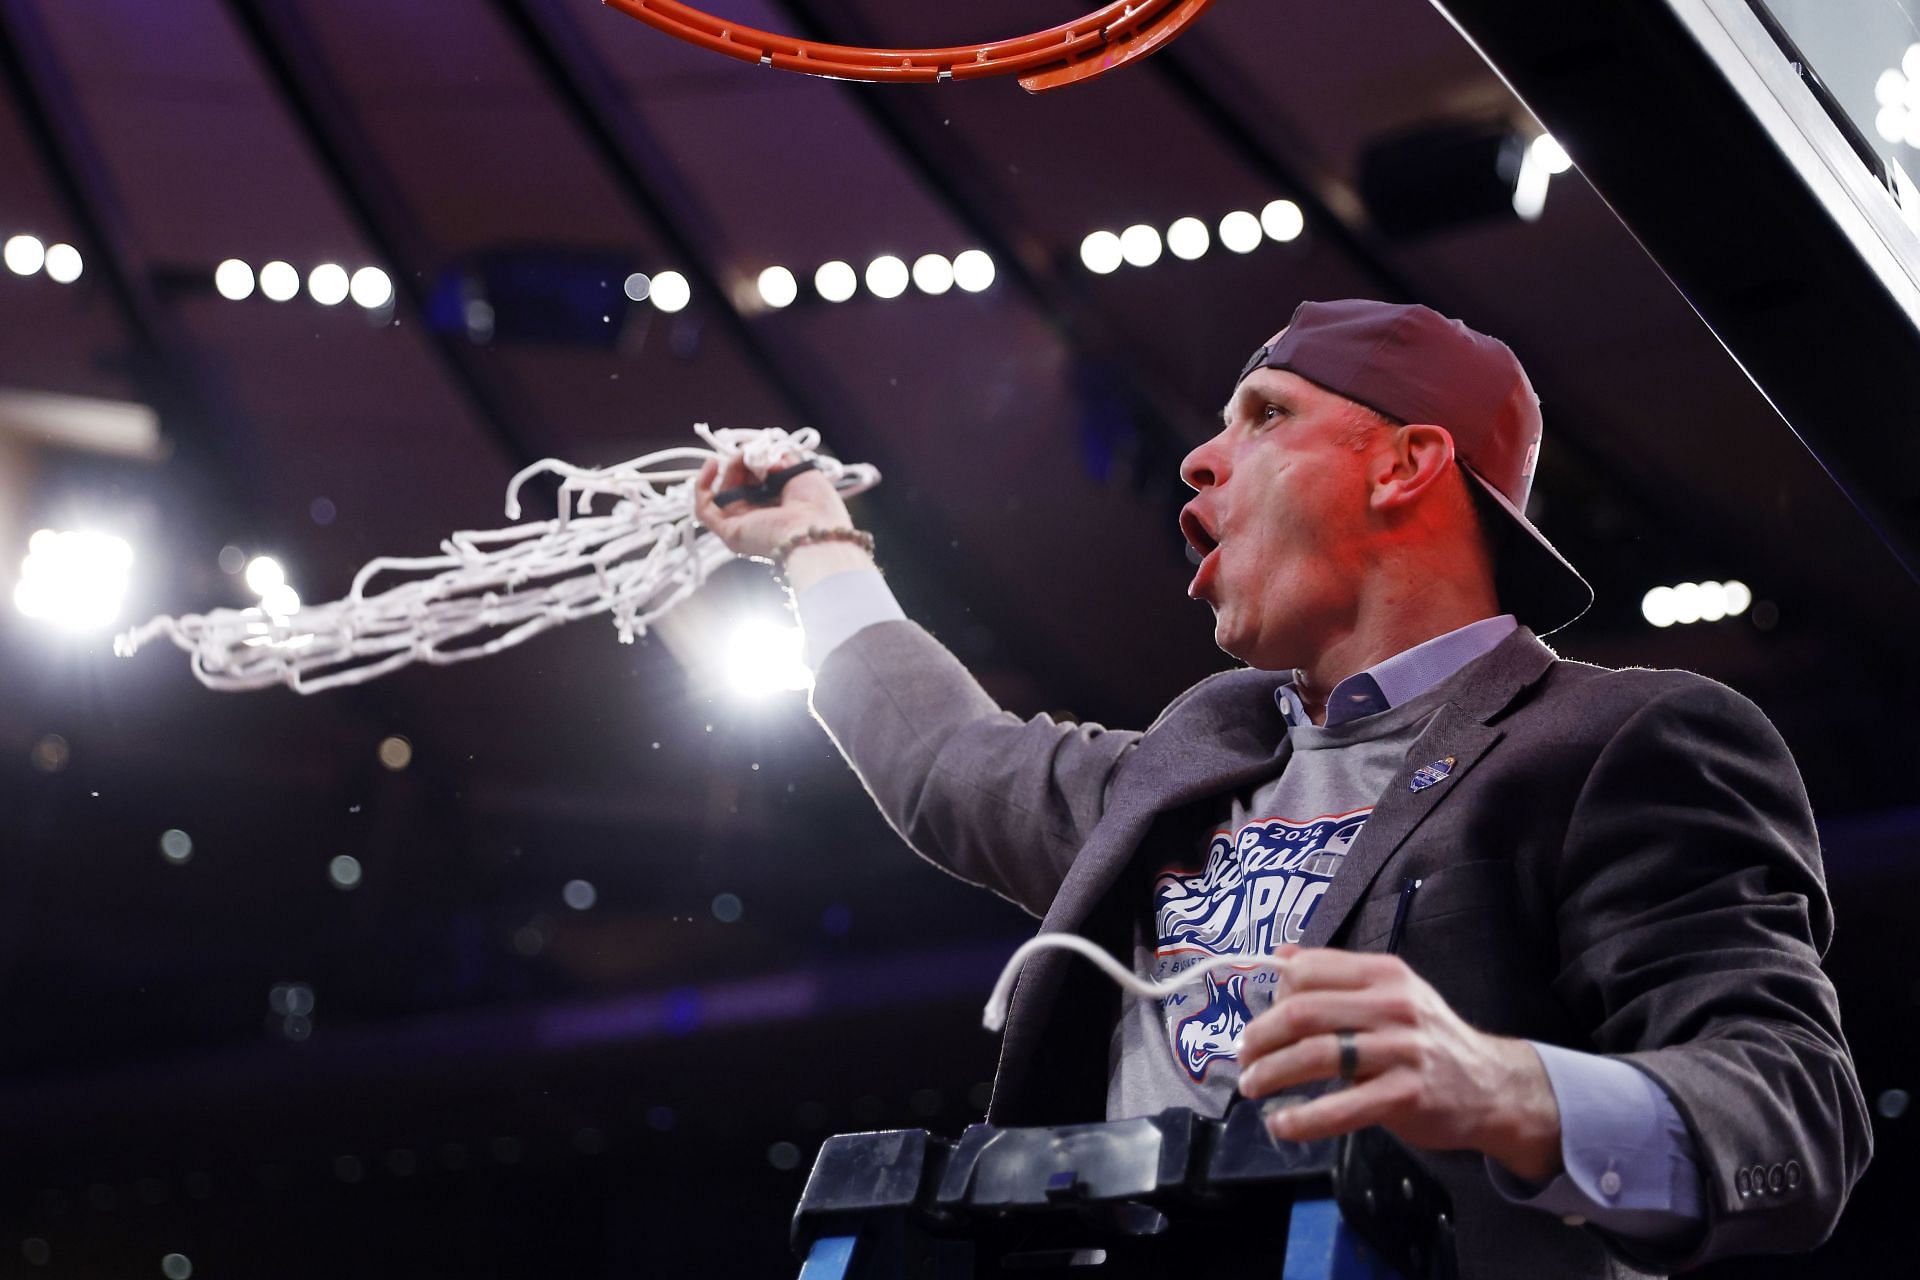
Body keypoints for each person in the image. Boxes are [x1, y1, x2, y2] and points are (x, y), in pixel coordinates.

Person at [695, 299, 1869, 1277]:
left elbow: (1793, 1123)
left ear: (1408, 463)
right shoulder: (1194, 751)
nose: (1201, 457)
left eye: (1266, 416)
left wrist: (1510, 1088)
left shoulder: (1620, 737)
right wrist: (818, 545)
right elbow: (945, 754)